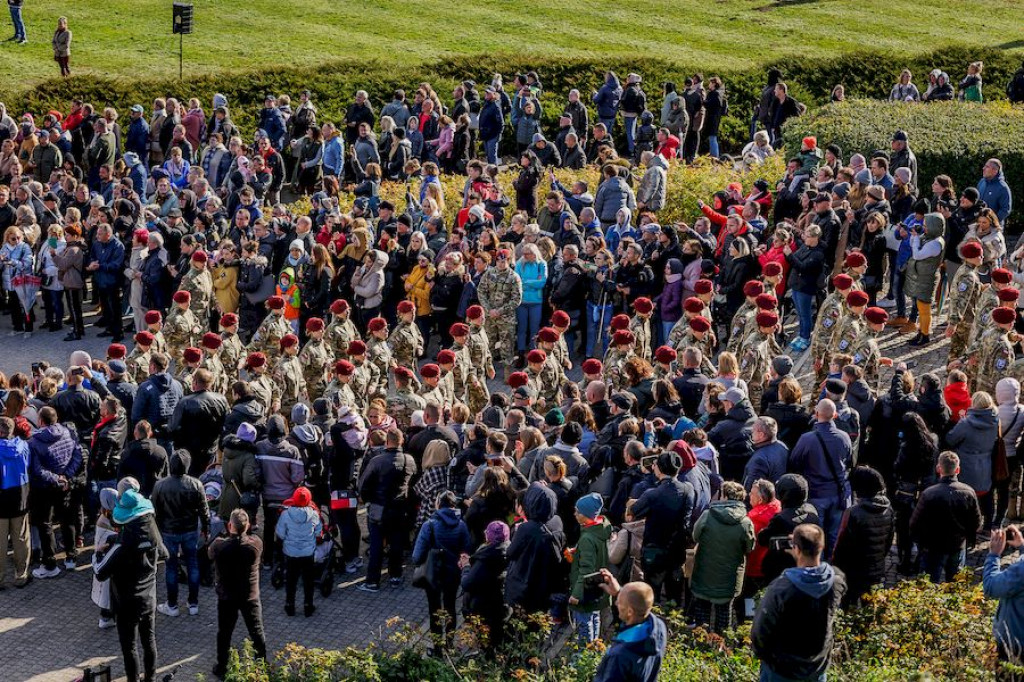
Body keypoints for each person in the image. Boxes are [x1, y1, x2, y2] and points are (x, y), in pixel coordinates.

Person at [752, 524, 846, 682]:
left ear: (796, 549)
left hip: (782, 669)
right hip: (817, 666)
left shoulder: (782, 587)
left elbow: (760, 632)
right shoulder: (836, 580)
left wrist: (767, 658)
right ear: (822, 547)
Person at [94, 484, 167, 682]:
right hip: (149, 599)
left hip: (126, 604)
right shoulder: (153, 534)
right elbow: (165, 554)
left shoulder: (121, 545)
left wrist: (98, 552)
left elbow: (100, 572)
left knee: (130, 648)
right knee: (149, 641)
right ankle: (150, 679)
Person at [787, 399, 852, 554]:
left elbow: (794, 462)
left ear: (816, 414)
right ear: (835, 415)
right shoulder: (844, 437)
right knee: (834, 536)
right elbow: (849, 461)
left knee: (816, 536)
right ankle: (831, 566)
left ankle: (818, 566)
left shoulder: (807, 439)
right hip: (838, 494)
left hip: (816, 494)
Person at [690, 480, 755, 633]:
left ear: (724, 496)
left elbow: (695, 536)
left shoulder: (707, 515)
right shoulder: (746, 523)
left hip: (704, 573)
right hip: (729, 577)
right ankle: (721, 648)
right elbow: (749, 548)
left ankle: (699, 649)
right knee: (724, 617)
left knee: (702, 617)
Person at [209, 509, 266, 679]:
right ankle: (261, 665)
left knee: (224, 633)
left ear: (229, 525)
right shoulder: (255, 544)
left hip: (227, 596)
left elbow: (209, 554)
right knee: (256, 631)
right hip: (250, 594)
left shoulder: (220, 545)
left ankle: (222, 667)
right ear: (248, 525)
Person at [152, 450, 210, 618]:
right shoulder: (196, 484)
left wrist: (157, 532)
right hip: (190, 530)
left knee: (171, 567)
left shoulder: (160, 485)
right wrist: (206, 529)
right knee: (193, 564)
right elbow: (204, 510)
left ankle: (172, 605)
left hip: (169, 531)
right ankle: (193, 603)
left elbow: (155, 512)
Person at [411, 490, 473, 647]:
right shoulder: (461, 525)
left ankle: (437, 646)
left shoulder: (429, 525)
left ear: (437, 504)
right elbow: (466, 551)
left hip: (433, 574)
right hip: (453, 574)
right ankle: (450, 644)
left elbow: (417, 556)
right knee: (451, 607)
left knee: (435, 610)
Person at [358, 427, 416, 592]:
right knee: (396, 543)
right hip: (399, 509)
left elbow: (363, 485)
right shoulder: (409, 460)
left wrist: (368, 500)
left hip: (378, 509)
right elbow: (413, 482)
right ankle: (395, 576)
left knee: (376, 545)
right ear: (401, 441)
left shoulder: (377, 461)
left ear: (387, 441)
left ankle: (372, 581)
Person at [910, 451, 983, 583]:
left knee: (929, 586)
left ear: (938, 468)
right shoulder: (968, 492)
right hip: (957, 545)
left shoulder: (929, 494)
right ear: (958, 469)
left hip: (933, 547)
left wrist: (921, 544)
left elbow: (915, 524)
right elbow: (976, 523)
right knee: (955, 586)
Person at [29, 406, 82, 578]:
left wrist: (57, 479)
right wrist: (65, 477)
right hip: (64, 486)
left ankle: (50, 564)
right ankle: (71, 557)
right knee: (67, 519)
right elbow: (77, 455)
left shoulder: (34, 442)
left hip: (44, 488)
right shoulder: (68, 433)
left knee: (45, 524)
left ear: (41, 421)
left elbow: (37, 470)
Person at [830, 466, 894, 606]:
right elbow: (889, 541)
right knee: (871, 609)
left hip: (853, 572)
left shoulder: (853, 513)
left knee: (847, 606)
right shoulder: (888, 510)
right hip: (876, 570)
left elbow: (842, 544)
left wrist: (835, 566)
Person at [592, 574, 667, 682]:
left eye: (620, 601)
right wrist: (620, 592)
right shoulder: (659, 628)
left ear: (630, 611)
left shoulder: (620, 655)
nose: (616, 602)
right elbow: (641, 603)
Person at [567, 492, 612, 643]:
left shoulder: (587, 537)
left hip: (585, 589)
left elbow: (586, 569)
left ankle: (583, 655)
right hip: (598, 584)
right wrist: (578, 551)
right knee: (595, 616)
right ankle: (594, 649)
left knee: (584, 623)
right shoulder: (601, 529)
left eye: (577, 511)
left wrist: (577, 595)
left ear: (585, 515)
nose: (574, 514)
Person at [276, 486, 322, 617]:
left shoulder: (285, 515)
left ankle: (290, 605)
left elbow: (280, 533)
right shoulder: (313, 514)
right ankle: (308, 605)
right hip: (308, 554)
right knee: (308, 581)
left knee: (291, 580)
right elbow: (318, 532)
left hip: (291, 553)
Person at [984, 526, 1024, 671]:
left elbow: (990, 587)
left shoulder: (1021, 570)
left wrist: (994, 555)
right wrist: (1022, 547)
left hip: (1015, 646)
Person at [0, 416, 30, 587]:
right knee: (20, 538)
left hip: (2, 496)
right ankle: (21, 575)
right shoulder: (23, 445)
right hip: (20, 495)